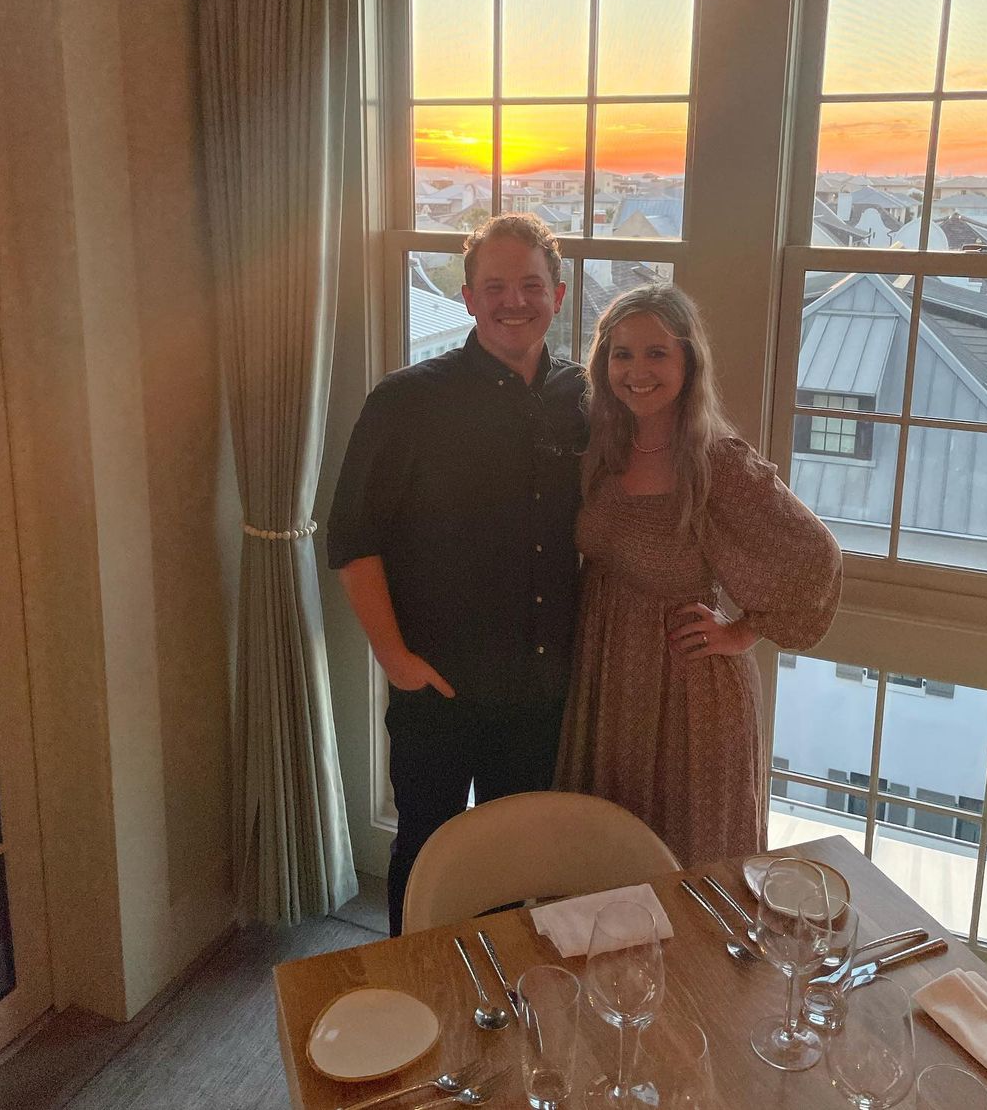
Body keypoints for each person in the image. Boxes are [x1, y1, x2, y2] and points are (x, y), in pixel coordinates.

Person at [327, 213, 586, 934]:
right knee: (426, 856)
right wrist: (397, 661)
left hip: (540, 694)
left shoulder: (582, 398)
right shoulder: (405, 401)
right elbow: (352, 541)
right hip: (436, 688)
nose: (514, 301)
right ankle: (418, 989)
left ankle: (494, 990)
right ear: (468, 298)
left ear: (558, 295)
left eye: (530, 285)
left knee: (512, 860)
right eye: (494, 286)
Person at [557, 284, 841, 867]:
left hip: (688, 688)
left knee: (692, 859)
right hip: (607, 674)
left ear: (688, 361)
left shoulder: (717, 460)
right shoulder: (602, 444)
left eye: (657, 353)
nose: (637, 371)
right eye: (622, 353)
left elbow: (816, 559)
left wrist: (741, 632)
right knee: (608, 853)